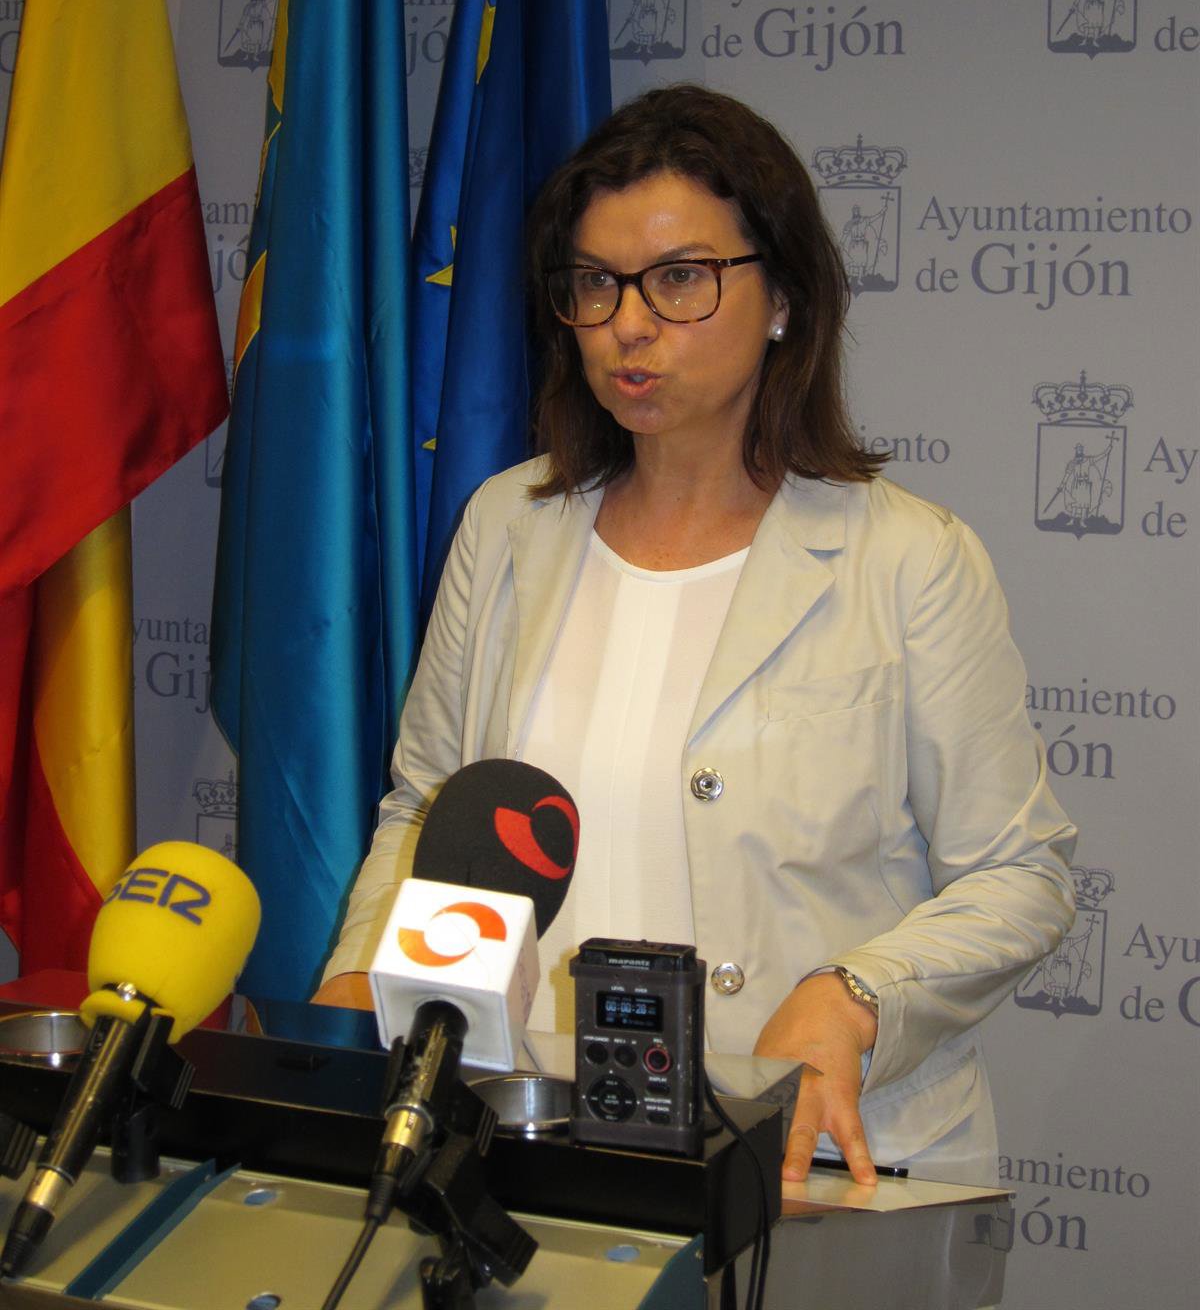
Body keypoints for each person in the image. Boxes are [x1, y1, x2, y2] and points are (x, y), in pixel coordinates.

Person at [315, 84, 1076, 1188]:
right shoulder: (508, 524)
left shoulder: (908, 558)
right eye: (596, 283)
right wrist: (367, 969)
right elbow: (431, 805)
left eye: (679, 279)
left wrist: (859, 995)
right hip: (524, 1139)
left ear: (783, 298)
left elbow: (1019, 874)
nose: (628, 323)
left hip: (816, 1164)